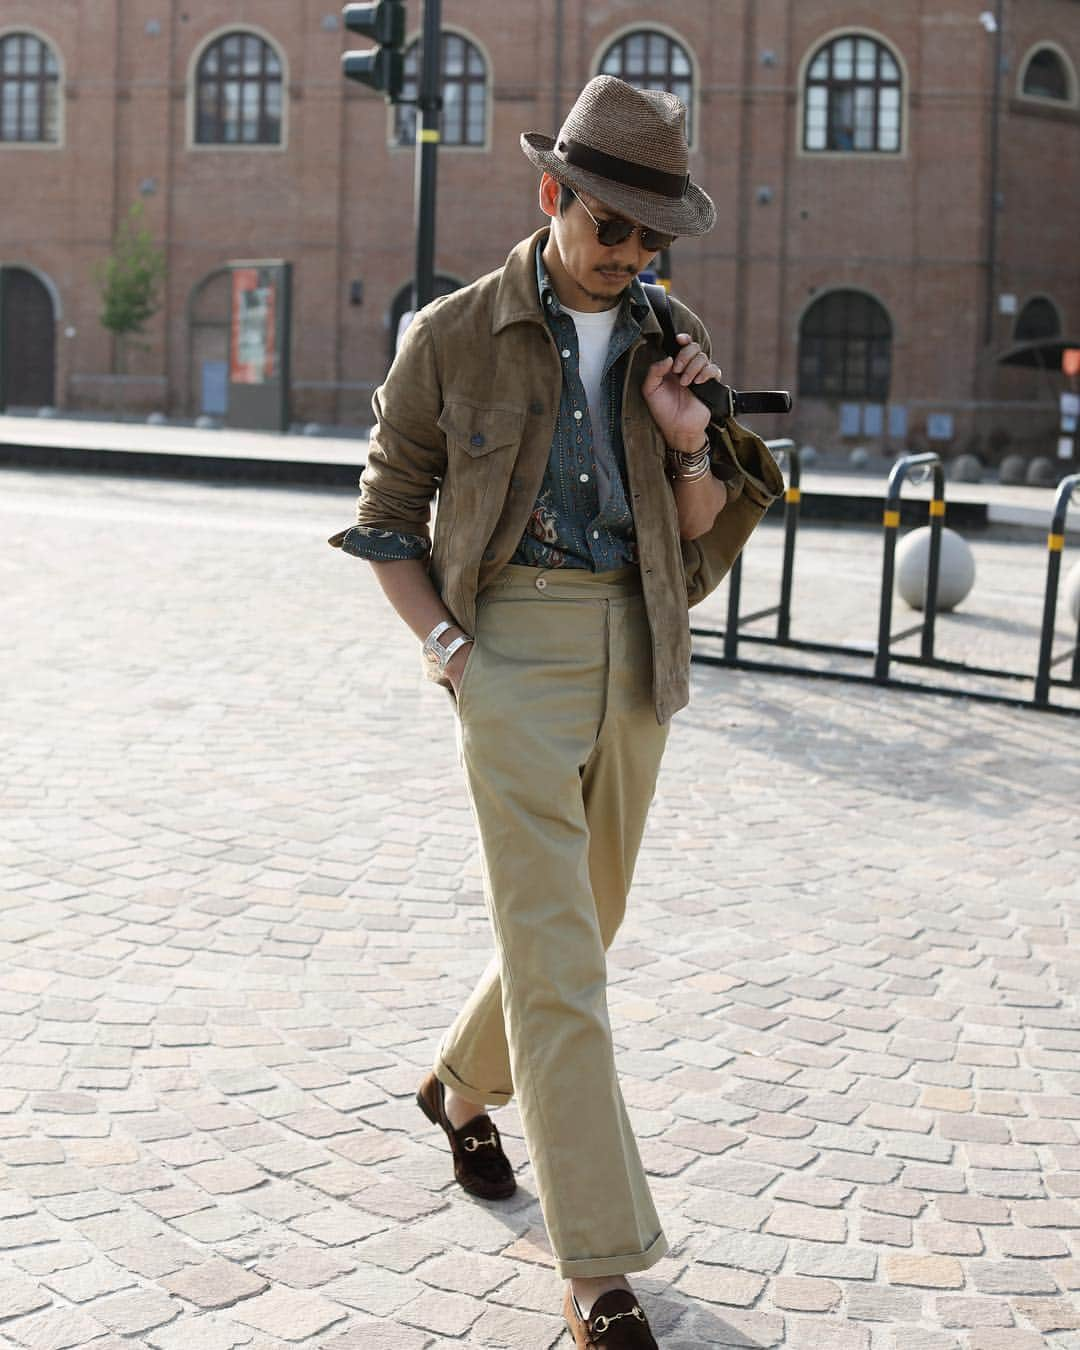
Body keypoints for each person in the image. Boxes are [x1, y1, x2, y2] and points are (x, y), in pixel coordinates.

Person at [329, 75, 781, 1349]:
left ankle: (461, 1089)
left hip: (641, 644)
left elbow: (697, 537)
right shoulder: (453, 336)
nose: (630, 256)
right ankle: (599, 1268)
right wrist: (454, 653)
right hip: (510, 648)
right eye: (611, 228)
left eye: (652, 238)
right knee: (561, 954)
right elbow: (384, 518)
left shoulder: (664, 329)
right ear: (553, 198)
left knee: (592, 916)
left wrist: (688, 436)